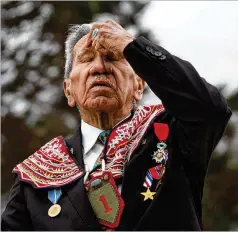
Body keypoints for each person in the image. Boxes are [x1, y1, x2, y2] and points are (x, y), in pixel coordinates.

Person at [1, 19, 232, 231]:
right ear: (68, 90)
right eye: (86, 58)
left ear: (139, 86)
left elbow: (211, 110)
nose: (99, 67)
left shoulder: (171, 132)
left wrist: (130, 45)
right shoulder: (36, 175)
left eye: (112, 56)